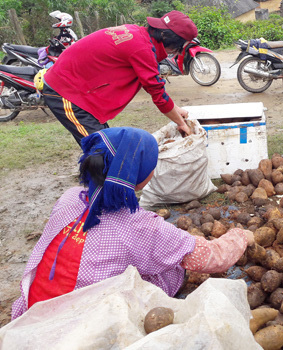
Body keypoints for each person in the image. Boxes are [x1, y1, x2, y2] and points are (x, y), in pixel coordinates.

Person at [12, 127, 253, 320]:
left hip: (33, 312)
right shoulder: (139, 225)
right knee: (172, 269)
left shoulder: (69, 198)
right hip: (83, 327)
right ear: (138, 173)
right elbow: (211, 258)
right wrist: (241, 237)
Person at [41, 10, 197, 146]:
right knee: (102, 150)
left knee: (106, 147)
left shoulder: (137, 33)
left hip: (79, 89)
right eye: (176, 48)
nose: (174, 52)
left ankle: (99, 177)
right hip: (65, 91)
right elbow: (157, 93)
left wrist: (176, 109)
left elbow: (152, 84)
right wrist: (181, 123)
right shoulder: (142, 48)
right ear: (165, 37)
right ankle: (99, 178)